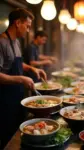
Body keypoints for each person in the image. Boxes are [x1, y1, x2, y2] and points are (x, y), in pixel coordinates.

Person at [0, 8, 47, 149]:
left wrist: (32, 68)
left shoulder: (16, 41)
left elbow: (18, 62)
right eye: (27, 26)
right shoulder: (1, 42)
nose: (28, 30)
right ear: (17, 23)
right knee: (7, 137)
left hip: (18, 96)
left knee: (20, 132)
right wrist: (21, 79)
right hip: (4, 100)